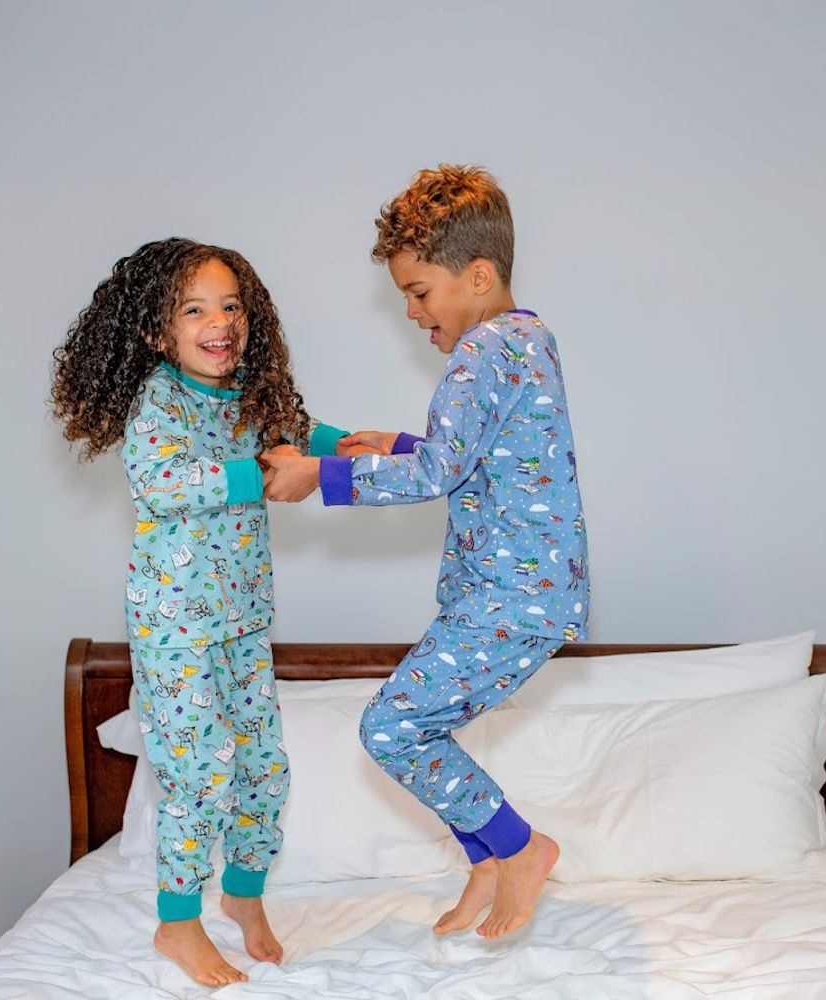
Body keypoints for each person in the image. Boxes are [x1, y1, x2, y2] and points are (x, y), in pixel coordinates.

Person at [260, 165, 590, 939]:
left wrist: (323, 475)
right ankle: (486, 860)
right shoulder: (526, 339)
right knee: (415, 729)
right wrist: (401, 441)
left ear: (479, 275)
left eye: (419, 291)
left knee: (392, 728)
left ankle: (521, 849)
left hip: (513, 599)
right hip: (517, 594)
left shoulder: (482, 352)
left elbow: (442, 473)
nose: (411, 312)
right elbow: (495, 458)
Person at [51, 237, 355, 985]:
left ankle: (243, 896)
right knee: (198, 774)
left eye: (231, 305)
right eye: (195, 310)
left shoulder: (248, 389)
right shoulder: (157, 399)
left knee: (263, 767)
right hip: (175, 627)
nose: (220, 322)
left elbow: (292, 433)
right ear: (159, 331)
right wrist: (265, 472)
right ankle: (176, 923)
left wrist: (343, 447)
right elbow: (166, 484)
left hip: (243, 619)